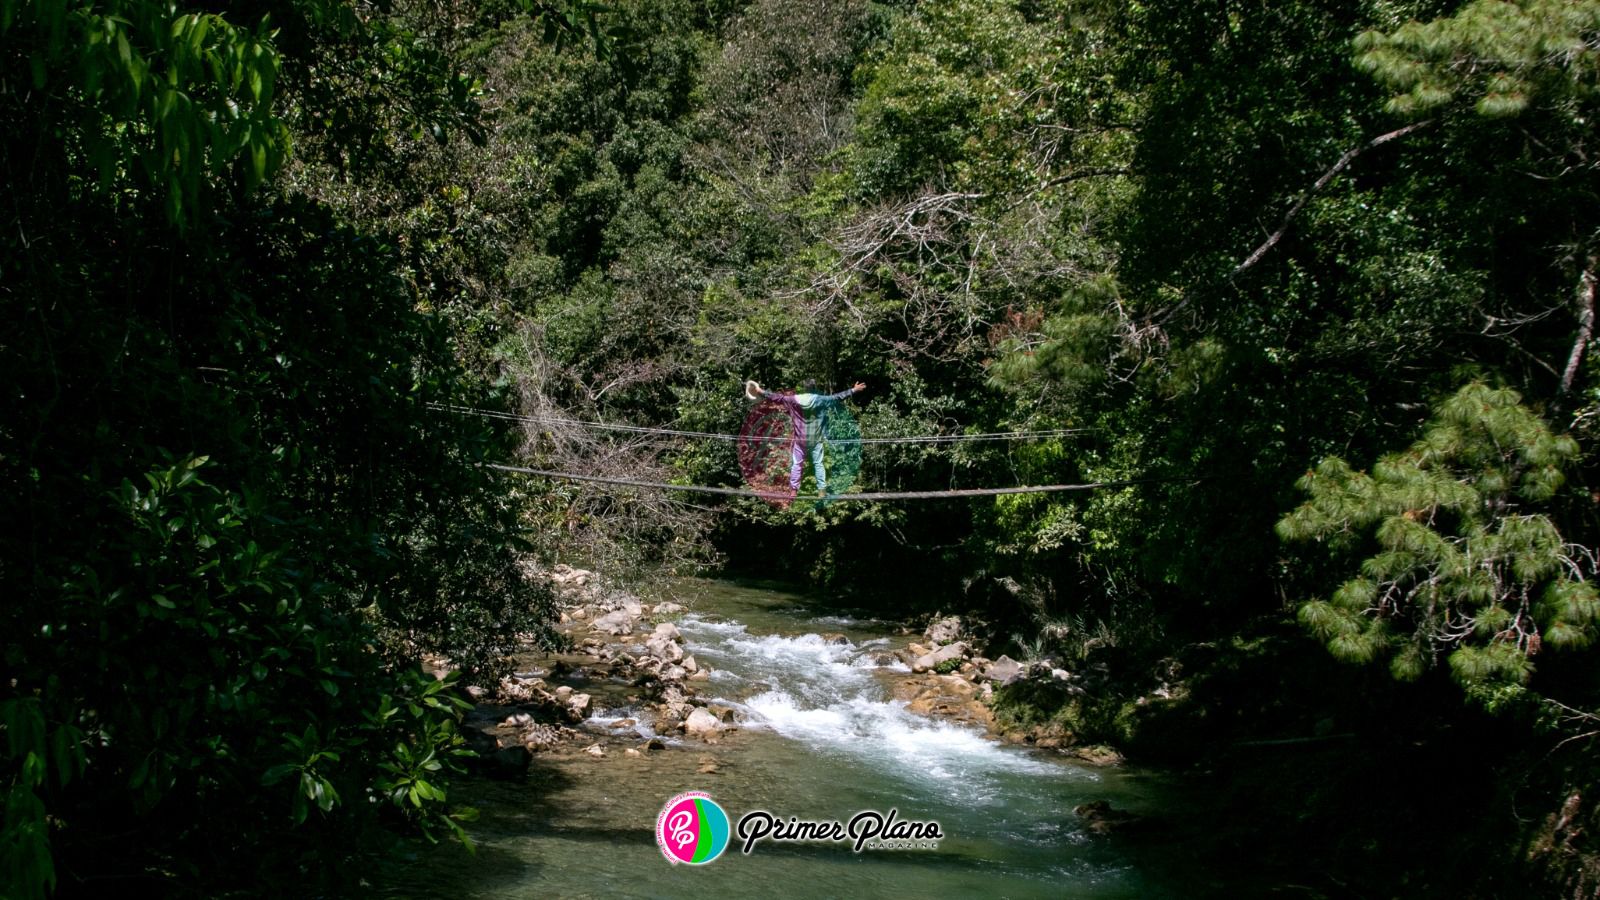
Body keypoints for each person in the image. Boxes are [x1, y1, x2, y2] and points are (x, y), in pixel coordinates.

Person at [744, 378, 866, 497]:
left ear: (803, 389)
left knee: (797, 464)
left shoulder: (793, 400)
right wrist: (853, 390)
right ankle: (821, 491)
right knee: (818, 464)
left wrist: (760, 391)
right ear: (814, 388)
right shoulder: (821, 399)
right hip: (815, 439)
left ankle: (793, 491)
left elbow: (776, 397)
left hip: (800, 439)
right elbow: (837, 397)